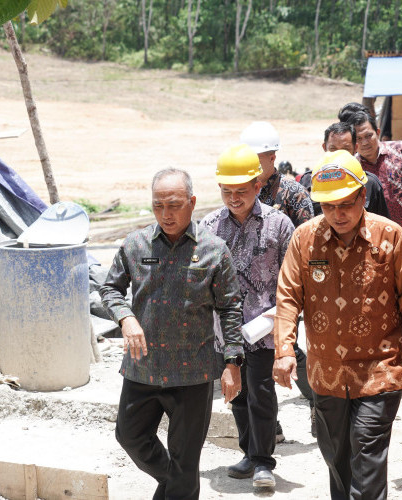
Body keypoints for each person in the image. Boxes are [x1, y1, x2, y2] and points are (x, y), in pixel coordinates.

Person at [272, 150, 402, 500]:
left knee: (368, 455)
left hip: (380, 369)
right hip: (326, 373)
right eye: (328, 206)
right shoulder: (304, 239)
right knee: (336, 458)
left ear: (363, 195)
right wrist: (284, 351)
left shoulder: (391, 237)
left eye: (346, 203)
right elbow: (287, 299)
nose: (337, 214)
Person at [99, 168, 244, 500]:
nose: (166, 214)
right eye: (158, 205)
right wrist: (125, 319)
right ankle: (174, 480)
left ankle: (178, 483)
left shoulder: (214, 250)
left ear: (192, 203)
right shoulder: (136, 245)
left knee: (186, 459)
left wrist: (232, 363)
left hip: (193, 374)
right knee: (130, 436)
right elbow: (110, 289)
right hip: (142, 368)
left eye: (175, 205)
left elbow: (231, 308)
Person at [201, 144, 295, 488]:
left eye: (241, 191)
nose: (234, 197)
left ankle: (263, 461)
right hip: (225, 331)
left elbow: (290, 278)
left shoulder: (279, 224)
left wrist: (281, 320)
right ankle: (248, 452)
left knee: (262, 393)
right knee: (236, 393)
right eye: (227, 191)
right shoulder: (209, 226)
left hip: (265, 329)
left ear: (258, 185)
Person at [239, 120, 313, 442]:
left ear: (273, 157)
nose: (255, 165)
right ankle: (271, 427)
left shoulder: (293, 194)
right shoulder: (240, 190)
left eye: (261, 158)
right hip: (249, 293)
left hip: (285, 291)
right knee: (253, 359)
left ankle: (319, 400)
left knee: (287, 350)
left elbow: (310, 242)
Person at [348, 111, 402, 227]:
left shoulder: (401, 149)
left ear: (377, 132)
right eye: (358, 139)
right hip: (380, 234)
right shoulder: (352, 167)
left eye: (368, 136)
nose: (364, 143)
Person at [300, 122, 390, 219]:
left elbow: (381, 224)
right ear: (324, 148)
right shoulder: (309, 180)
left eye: (345, 149)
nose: (339, 154)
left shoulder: (369, 183)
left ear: (355, 148)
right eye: (333, 149)